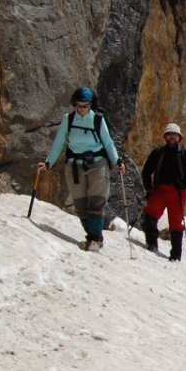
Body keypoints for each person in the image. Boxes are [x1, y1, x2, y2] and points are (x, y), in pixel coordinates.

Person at [38, 87, 125, 251]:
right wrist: (48, 162)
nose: (81, 109)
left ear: (91, 105)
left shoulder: (98, 120)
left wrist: (117, 161)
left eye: (85, 106)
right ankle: (94, 235)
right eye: (78, 106)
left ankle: (94, 239)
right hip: (75, 166)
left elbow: (108, 143)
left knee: (96, 202)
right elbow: (59, 143)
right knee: (81, 206)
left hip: (97, 164)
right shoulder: (68, 119)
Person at [140, 122, 186, 262]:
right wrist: (149, 189)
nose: (172, 137)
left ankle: (175, 256)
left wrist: (183, 184)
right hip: (159, 190)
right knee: (150, 215)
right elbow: (146, 172)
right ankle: (152, 243)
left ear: (179, 138)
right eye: (169, 135)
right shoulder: (158, 153)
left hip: (177, 192)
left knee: (176, 223)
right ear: (165, 137)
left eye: (175, 135)